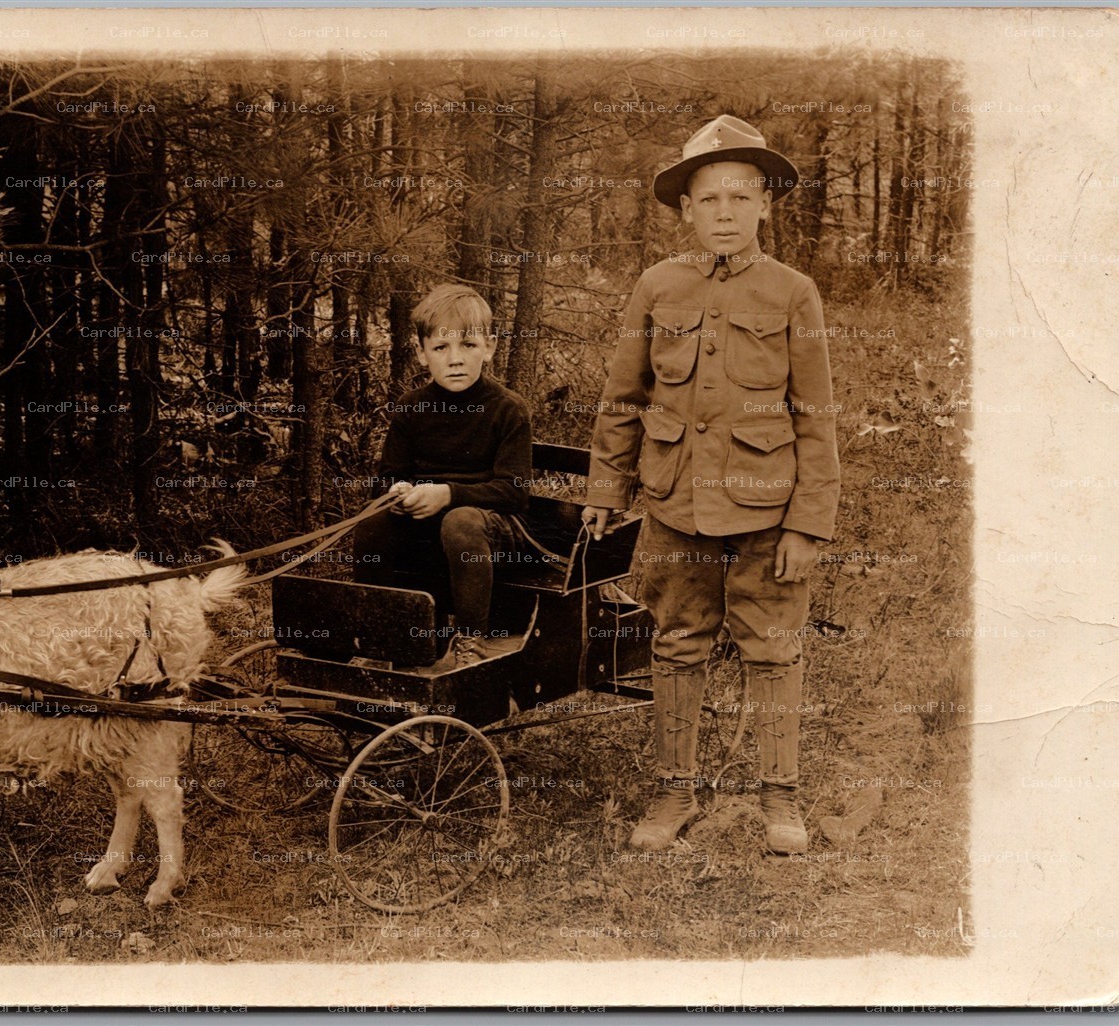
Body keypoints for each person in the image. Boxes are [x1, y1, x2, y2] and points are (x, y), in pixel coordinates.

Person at [581, 115, 840, 854]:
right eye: (709, 199)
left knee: (773, 649)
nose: (724, 212)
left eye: (740, 196)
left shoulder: (793, 294)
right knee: (676, 646)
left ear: (766, 205)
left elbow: (816, 416)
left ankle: (780, 799)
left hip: (768, 512)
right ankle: (673, 792)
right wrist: (607, 490)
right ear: (686, 210)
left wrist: (807, 524)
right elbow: (623, 397)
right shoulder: (656, 286)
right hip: (676, 506)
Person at [354, 284, 532, 668]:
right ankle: (381, 634)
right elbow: (385, 481)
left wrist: (447, 494)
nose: (455, 360)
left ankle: (471, 642)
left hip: (492, 533)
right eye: (440, 348)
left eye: (468, 345)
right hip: (426, 529)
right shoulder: (410, 408)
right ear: (421, 353)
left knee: (461, 521)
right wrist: (398, 492)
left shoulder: (508, 410)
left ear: (490, 346)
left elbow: (514, 492)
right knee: (372, 521)